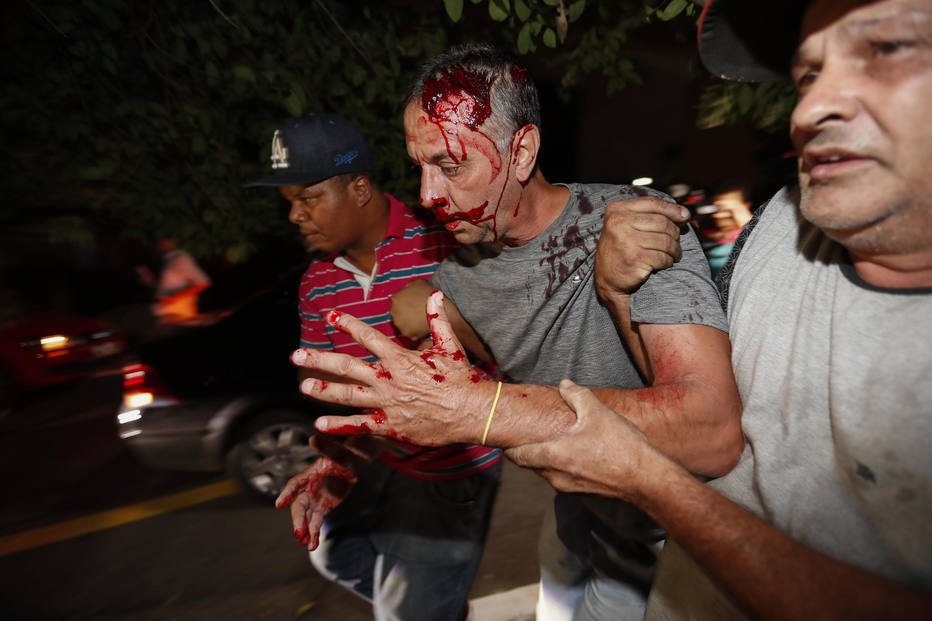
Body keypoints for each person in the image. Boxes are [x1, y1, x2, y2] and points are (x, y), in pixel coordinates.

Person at [502, 0, 932, 618]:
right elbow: (710, 411)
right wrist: (617, 294)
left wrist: (648, 480)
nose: (810, 109)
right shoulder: (782, 225)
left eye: (885, 52)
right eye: (807, 76)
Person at [291, 45, 743, 620]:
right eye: (420, 167)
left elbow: (711, 430)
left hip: (666, 533)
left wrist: (614, 294)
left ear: (522, 150)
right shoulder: (458, 281)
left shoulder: (631, 220)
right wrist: (348, 457)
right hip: (578, 513)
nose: (428, 194)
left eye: (451, 166)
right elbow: (434, 399)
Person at [243, 112, 502, 621]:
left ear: (359, 188)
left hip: (449, 467)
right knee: (331, 551)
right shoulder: (317, 281)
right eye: (289, 205)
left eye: (307, 198)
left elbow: (506, 351)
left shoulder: (442, 246)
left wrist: (444, 314)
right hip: (380, 457)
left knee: (404, 612)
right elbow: (314, 380)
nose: (296, 216)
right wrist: (345, 451)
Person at [686, 179, 754, 281]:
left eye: (728, 210)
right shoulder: (702, 238)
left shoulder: (754, 237)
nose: (719, 215)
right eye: (716, 208)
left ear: (745, 206)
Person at [147, 237, 211, 324]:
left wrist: (173, 298)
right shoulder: (169, 258)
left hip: (177, 315)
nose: (160, 242)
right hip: (166, 314)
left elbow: (203, 283)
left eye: (164, 239)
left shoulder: (180, 258)